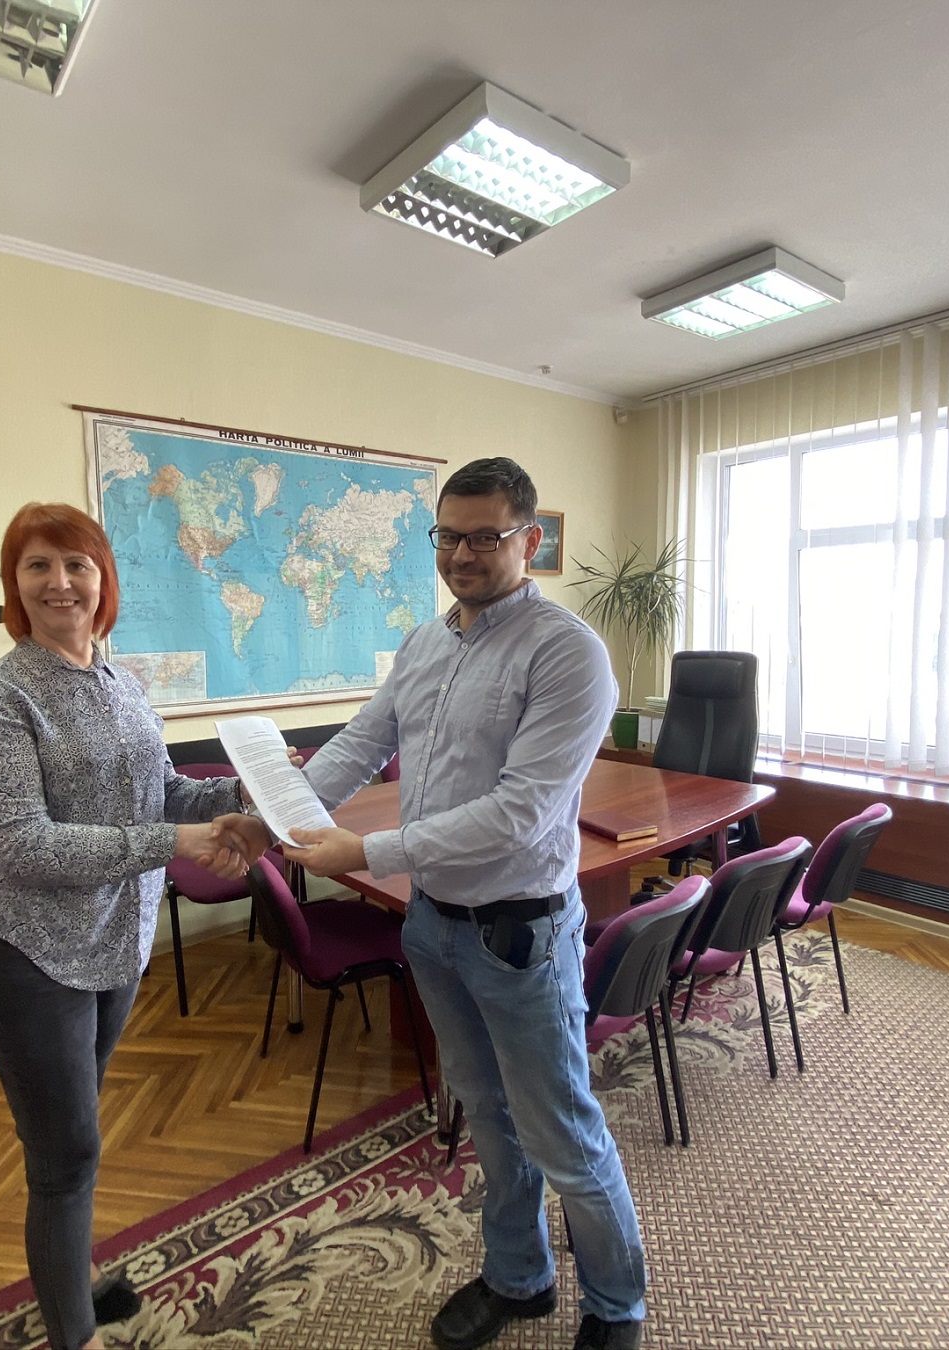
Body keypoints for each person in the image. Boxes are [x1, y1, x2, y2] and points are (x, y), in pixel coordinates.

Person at [285, 457, 645, 1350]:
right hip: (432, 928)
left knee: (562, 1134)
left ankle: (617, 1307)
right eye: (448, 536)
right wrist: (274, 814)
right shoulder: (424, 643)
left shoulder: (568, 653)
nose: (462, 554)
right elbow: (361, 744)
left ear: (530, 540)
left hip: (520, 938)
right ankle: (519, 1279)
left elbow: (520, 814)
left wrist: (367, 851)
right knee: (486, 1115)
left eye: (486, 536)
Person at [0, 501, 258, 1350]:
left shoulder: (122, 683)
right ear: (14, 584)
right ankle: (72, 1333)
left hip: (116, 947)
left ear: (102, 580)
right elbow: (21, 845)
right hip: (30, 959)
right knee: (66, 1156)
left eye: (76, 564)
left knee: (75, 1132)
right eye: (37, 566)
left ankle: (71, 1285)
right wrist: (176, 841)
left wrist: (243, 792)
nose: (60, 582)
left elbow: (164, 794)